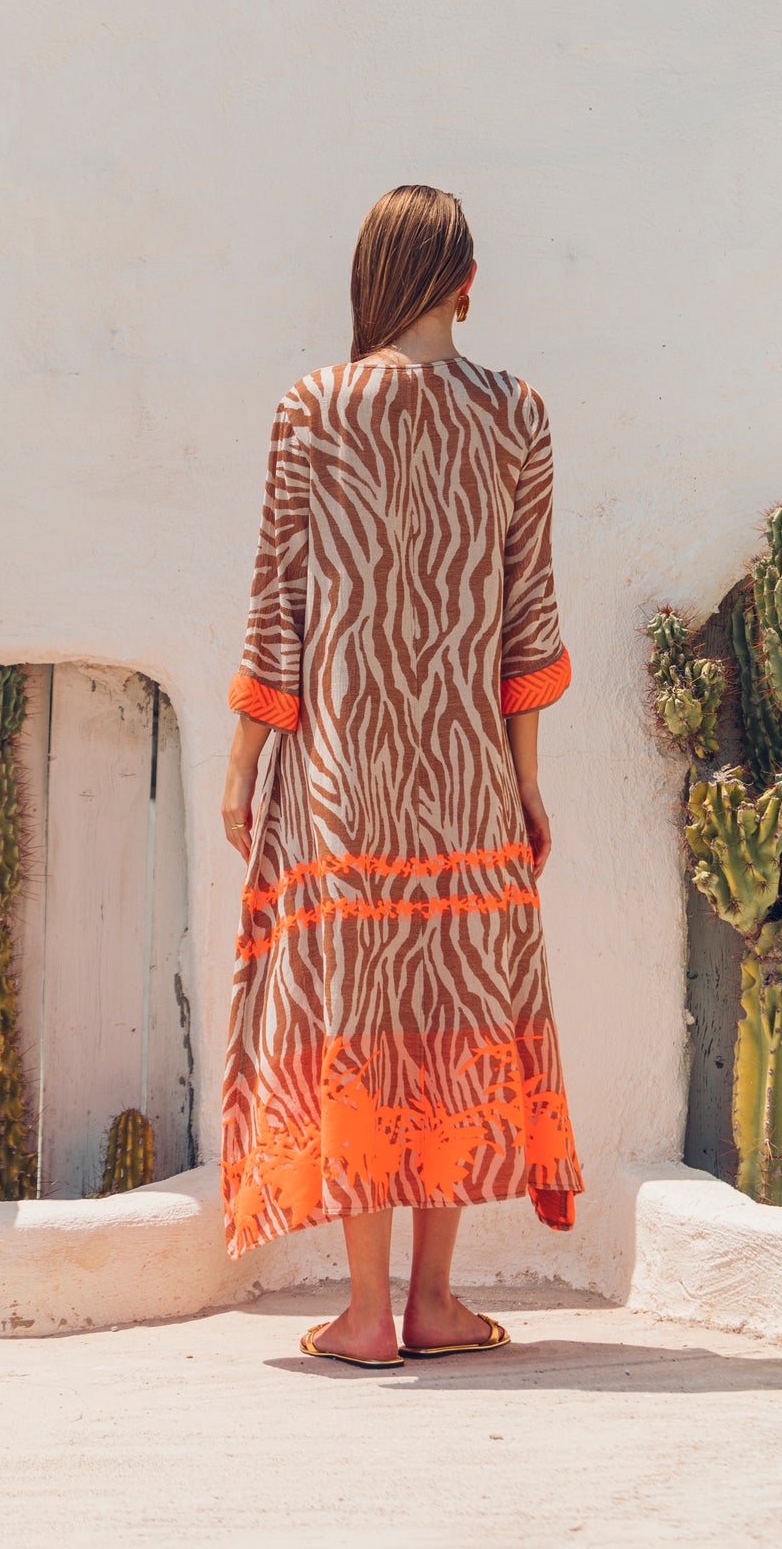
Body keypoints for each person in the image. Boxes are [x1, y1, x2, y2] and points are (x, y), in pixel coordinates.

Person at [220, 184, 581, 1368]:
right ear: (467, 284)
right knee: (456, 1017)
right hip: (469, 774)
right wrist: (523, 784)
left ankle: (366, 1313)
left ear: (372, 279)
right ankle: (435, 1300)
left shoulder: (312, 408)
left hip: (339, 777)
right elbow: (528, 620)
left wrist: (243, 762)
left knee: (362, 1023)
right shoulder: (516, 412)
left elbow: (278, 602)